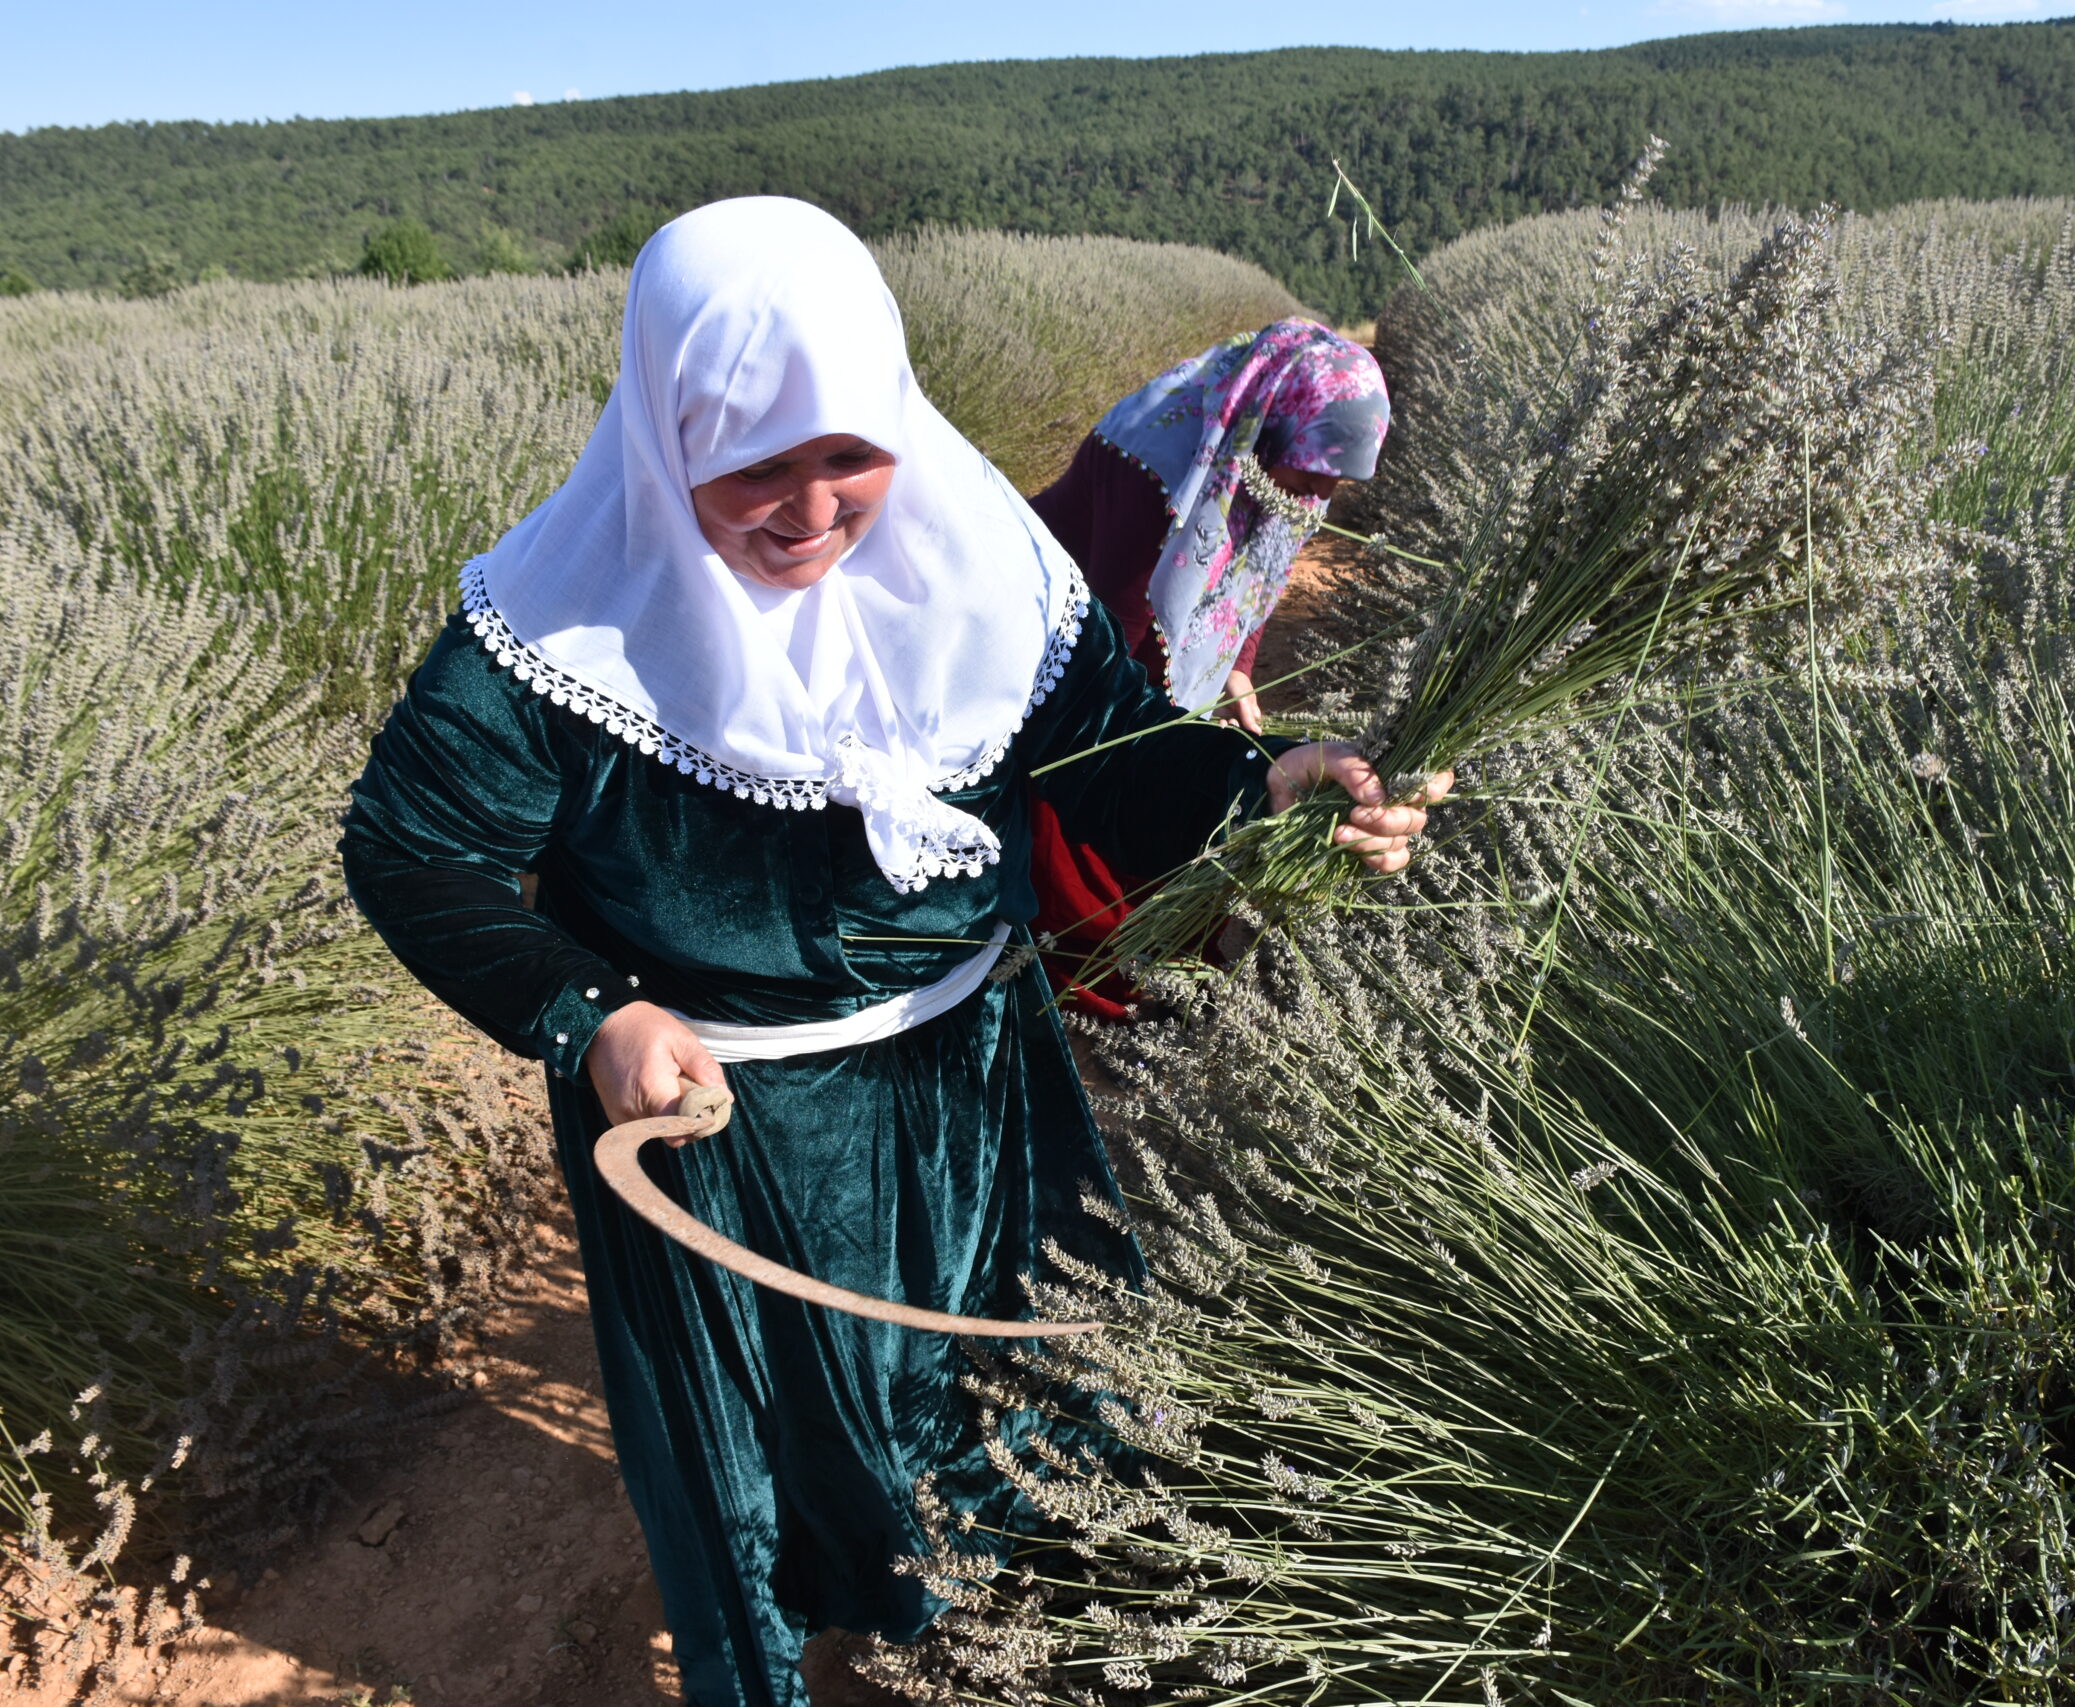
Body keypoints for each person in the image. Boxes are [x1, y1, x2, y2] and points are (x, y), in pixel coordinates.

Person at [337, 198, 1444, 1707]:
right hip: (725, 1130)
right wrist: (587, 1011)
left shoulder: (983, 571)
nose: (809, 507)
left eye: (846, 451)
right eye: (752, 463)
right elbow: (411, 849)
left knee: (1016, 1400)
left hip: (972, 1087)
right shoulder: (551, 635)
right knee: (772, 1453)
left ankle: (1014, 1644)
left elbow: (1114, 750)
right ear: (667, 433)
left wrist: (1264, 784)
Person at [1024, 322, 1389, 1016]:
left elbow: (1256, 576)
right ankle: (1101, 972)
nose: (1316, 495)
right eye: (1311, 476)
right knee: (1092, 809)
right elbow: (1101, 675)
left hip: (1121, 648)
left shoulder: (1282, 466)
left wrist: (1237, 669)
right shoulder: (1156, 475)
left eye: (1333, 483)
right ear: (1271, 429)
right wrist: (1173, 742)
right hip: (1060, 647)